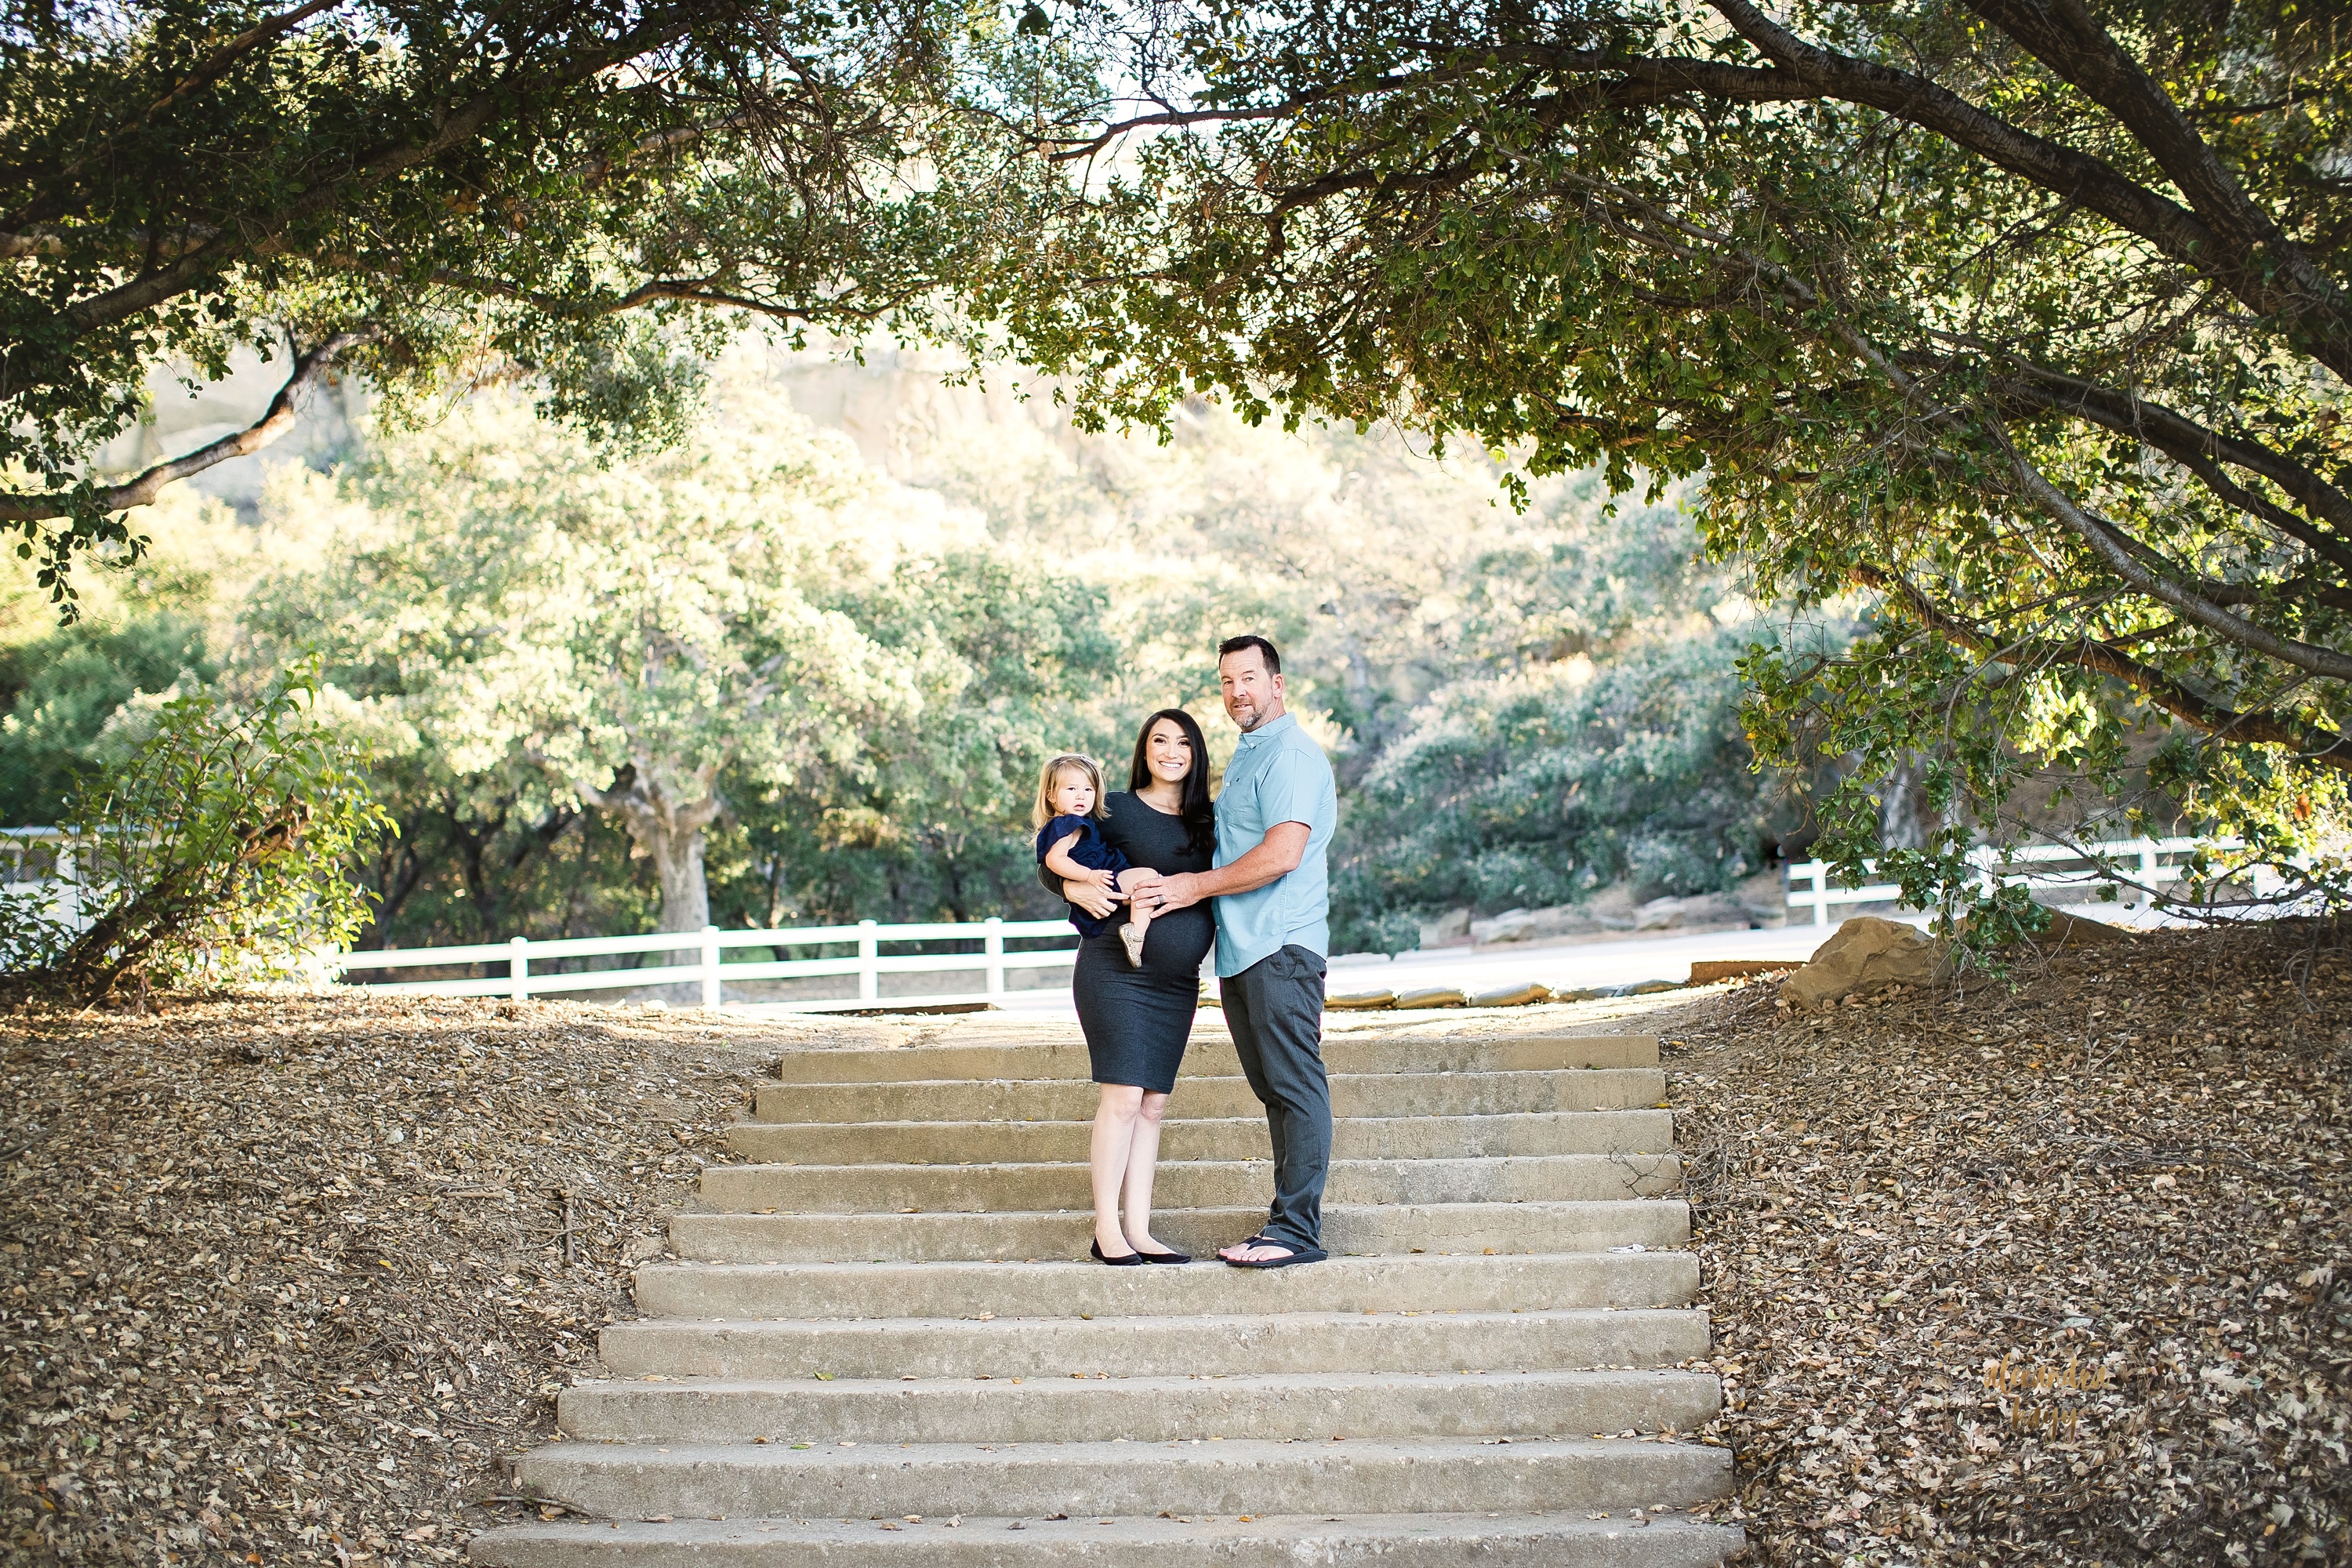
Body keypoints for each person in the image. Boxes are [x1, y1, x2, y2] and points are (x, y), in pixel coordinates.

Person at [1127, 635, 1338, 1269]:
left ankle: (1298, 1231)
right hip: (1244, 953)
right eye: (1226, 681)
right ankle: (1284, 1223)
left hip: (1282, 946)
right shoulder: (1251, 753)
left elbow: (1282, 854)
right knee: (1274, 1088)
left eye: (1249, 677)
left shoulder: (1292, 756)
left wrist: (1190, 886)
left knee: (1294, 1084)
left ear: (1277, 683)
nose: (1237, 691)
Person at [1045, 711, 1218, 1265]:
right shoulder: (1112, 806)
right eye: (1159, 740)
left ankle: (1139, 1230)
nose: (1171, 751)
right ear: (1144, 749)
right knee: (1122, 1099)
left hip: (1175, 984)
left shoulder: (1209, 821)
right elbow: (1055, 858)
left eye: (1183, 742)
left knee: (1153, 1105)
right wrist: (1074, 888)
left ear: (1197, 753)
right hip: (1114, 971)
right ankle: (1107, 1232)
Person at [1033, 753, 1152, 967]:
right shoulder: (1066, 824)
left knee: (1147, 889)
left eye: (1088, 790)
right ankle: (1136, 936)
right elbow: (1054, 860)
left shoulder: (1080, 821)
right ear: (1051, 795)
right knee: (1149, 880)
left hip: (1104, 876)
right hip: (1102, 876)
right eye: (1071, 789)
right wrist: (1089, 875)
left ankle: (1136, 935)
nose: (1081, 796)